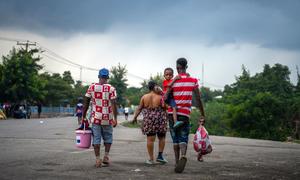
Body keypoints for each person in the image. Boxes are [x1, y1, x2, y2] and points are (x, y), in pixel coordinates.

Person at [168, 58, 205, 173]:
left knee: (175, 138)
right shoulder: (193, 81)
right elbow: (198, 98)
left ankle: (176, 162)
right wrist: (202, 113)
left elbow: (166, 96)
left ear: (177, 67)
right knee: (183, 137)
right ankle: (183, 155)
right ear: (186, 67)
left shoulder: (173, 81)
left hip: (171, 113)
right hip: (185, 114)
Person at [82, 68, 118, 168]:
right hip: (108, 118)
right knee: (108, 138)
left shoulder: (92, 87)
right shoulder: (111, 88)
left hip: (96, 118)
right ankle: (106, 157)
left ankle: (98, 160)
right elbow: (114, 104)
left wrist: (83, 116)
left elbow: (86, 102)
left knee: (96, 139)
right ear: (108, 77)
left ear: (99, 76)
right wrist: (115, 119)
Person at [132, 81, 168, 165]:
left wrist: (134, 118)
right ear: (156, 87)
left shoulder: (144, 97)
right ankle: (160, 156)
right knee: (162, 137)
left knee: (150, 140)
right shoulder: (160, 97)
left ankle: (151, 159)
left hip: (149, 119)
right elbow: (166, 107)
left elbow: (139, 108)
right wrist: (162, 93)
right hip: (160, 119)